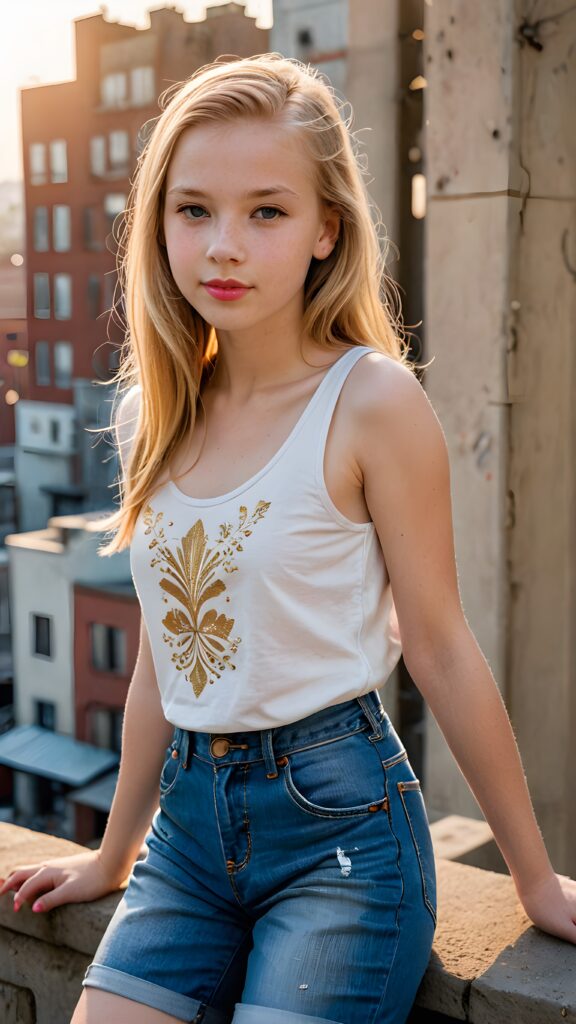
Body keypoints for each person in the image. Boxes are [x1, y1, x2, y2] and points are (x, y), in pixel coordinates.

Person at [1, 52, 575, 1024]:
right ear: (159, 226)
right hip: (184, 836)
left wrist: (537, 879)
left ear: (325, 230)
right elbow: (161, 656)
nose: (224, 246)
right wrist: (112, 850)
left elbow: (440, 646)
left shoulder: (373, 403)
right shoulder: (158, 407)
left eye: (266, 211)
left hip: (341, 837)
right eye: (194, 210)